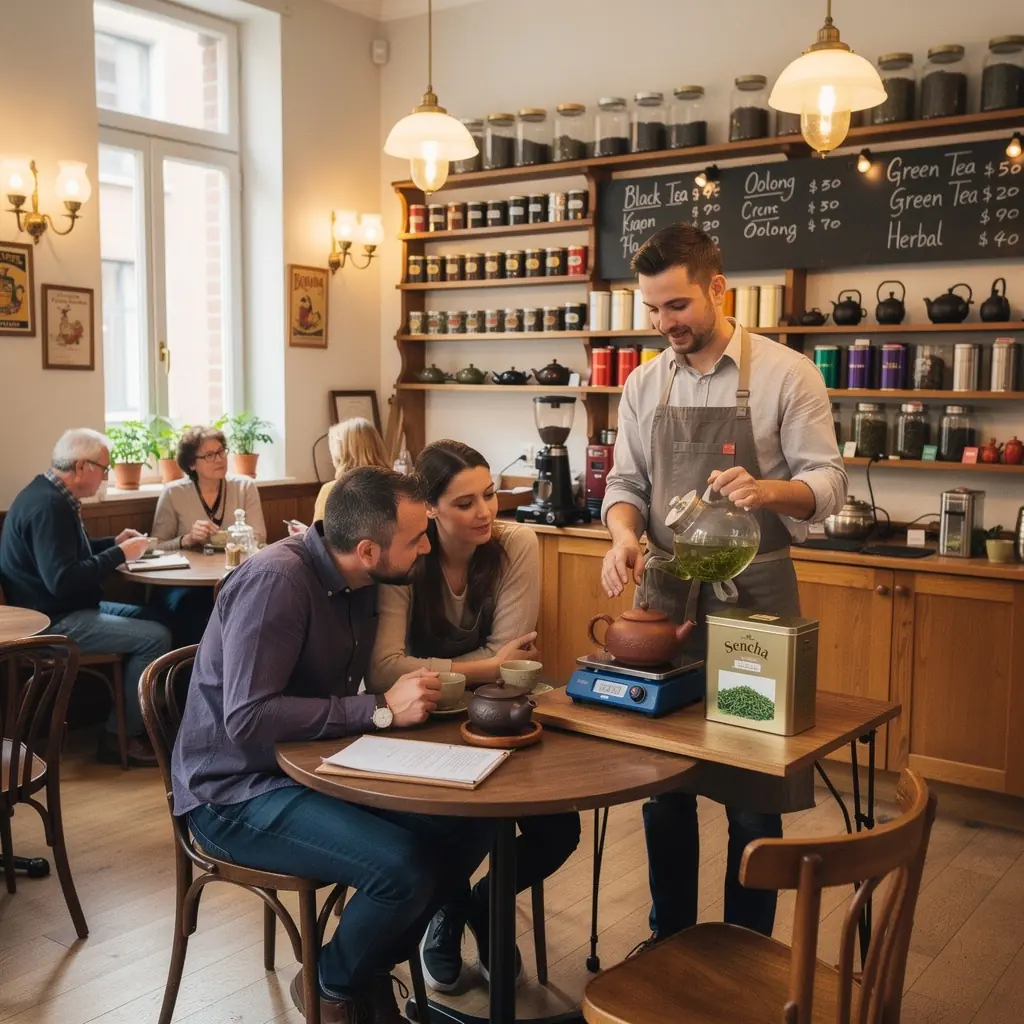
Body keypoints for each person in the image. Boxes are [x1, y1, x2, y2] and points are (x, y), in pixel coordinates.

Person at [172, 467, 493, 1023]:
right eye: (417, 538)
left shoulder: (363, 580)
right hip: (233, 791)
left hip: (315, 768)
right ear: (367, 549)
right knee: (403, 868)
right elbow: (248, 718)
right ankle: (333, 984)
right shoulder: (277, 581)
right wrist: (377, 710)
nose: (427, 546)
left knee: (467, 824)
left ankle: (357, 970)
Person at [599, 223, 847, 945]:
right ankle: (667, 941)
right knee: (663, 785)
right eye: (650, 310)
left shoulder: (785, 372)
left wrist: (769, 492)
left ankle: (746, 954)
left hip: (755, 613)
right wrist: (622, 535)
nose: (662, 324)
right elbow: (625, 484)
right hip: (665, 605)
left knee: (749, 796)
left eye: (675, 306)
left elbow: (826, 481)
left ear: (717, 289)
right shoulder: (645, 383)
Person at [368, 439, 579, 991]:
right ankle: (444, 915)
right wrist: (486, 665)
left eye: (488, 495)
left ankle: (479, 908)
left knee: (560, 832)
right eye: (465, 503)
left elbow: (515, 666)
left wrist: (480, 669)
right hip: (421, 726)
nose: (486, 512)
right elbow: (385, 671)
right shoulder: (407, 554)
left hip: (498, 719)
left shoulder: (517, 543)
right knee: (460, 827)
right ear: (430, 509)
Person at [0, 428, 173, 767]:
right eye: (104, 469)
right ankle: (117, 737)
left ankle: (151, 722)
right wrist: (120, 554)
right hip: (52, 620)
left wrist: (112, 542)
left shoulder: (49, 495)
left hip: (63, 608)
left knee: (162, 618)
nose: (106, 478)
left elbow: (68, 558)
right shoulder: (49, 506)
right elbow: (63, 581)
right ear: (81, 467)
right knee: (158, 638)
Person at [151, 426, 266, 644]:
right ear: (192, 463)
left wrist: (229, 538)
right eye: (209, 455)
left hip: (235, 577)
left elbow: (259, 536)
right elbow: (156, 547)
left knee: (254, 603)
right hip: (184, 583)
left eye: (221, 451)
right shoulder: (173, 493)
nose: (219, 459)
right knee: (192, 608)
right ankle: (190, 675)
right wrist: (186, 540)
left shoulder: (245, 487)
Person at [314, 417, 390, 522]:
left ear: (340, 455)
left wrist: (303, 533)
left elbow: (318, 537)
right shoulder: (399, 487)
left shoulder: (331, 491)